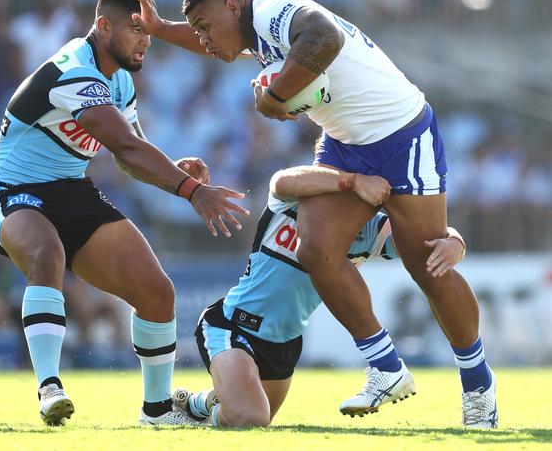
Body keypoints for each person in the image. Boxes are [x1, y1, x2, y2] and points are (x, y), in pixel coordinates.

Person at [127, 0, 497, 429]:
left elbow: (324, 36)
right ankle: (385, 365)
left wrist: (276, 97)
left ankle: (478, 385)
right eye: (196, 31)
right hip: (344, 144)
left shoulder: (268, 7)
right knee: (316, 248)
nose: (202, 40)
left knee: (427, 265)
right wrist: (160, 29)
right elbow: (239, 47)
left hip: (401, 133)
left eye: (205, 26)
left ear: (232, 6)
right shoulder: (254, 31)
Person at [0, 0, 249, 427]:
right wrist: (192, 191)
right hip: (11, 191)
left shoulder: (120, 80)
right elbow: (125, 148)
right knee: (47, 255)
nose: (145, 41)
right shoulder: (73, 70)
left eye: (148, 33)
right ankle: (49, 387)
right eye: (135, 30)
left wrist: (174, 168)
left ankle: (157, 412)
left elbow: (135, 154)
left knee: (157, 293)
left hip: (70, 189)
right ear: (103, 27)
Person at [172, 164, 466, 427]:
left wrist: (455, 241)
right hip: (234, 326)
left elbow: (424, 237)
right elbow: (281, 180)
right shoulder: (293, 201)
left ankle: (198, 403)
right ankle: (190, 419)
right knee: (250, 417)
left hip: (285, 344)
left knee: (254, 415)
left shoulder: (366, 230)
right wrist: (353, 180)